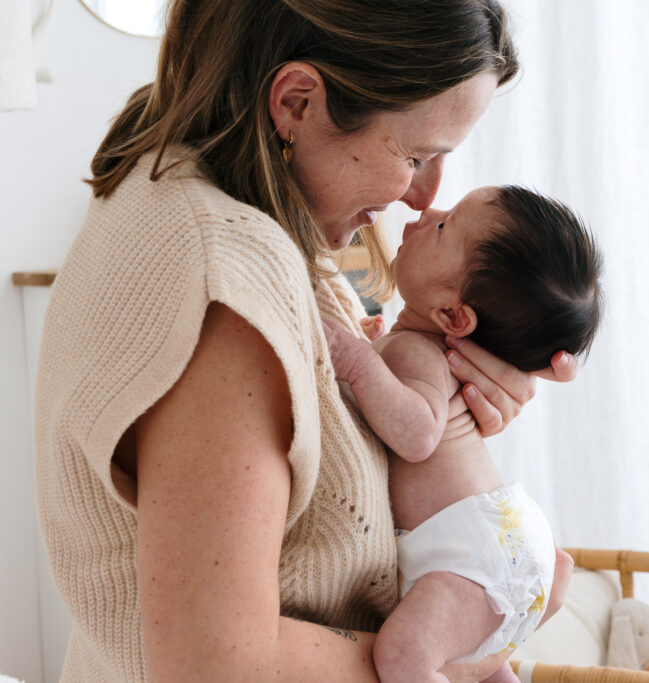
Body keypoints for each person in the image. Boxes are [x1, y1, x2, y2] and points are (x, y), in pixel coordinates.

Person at [33, 1, 577, 681]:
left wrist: (451, 427)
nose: (423, 197)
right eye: (414, 155)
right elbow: (217, 662)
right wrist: (464, 656)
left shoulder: (225, 213)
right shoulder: (224, 268)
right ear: (296, 102)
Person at [322, 184, 602, 682]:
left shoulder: (414, 352)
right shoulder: (414, 348)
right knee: (485, 664)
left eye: (445, 226)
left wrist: (356, 361)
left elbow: (419, 435)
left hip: (472, 553)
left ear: (453, 315)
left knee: (403, 659)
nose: (429, 209)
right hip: (508, 544)